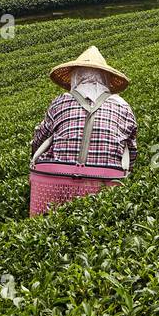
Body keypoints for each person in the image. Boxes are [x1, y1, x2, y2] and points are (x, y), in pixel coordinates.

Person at [28, 46, 138, 216]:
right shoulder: (123, 106)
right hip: (106, 184)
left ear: (76, 77)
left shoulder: (61, 102)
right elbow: (131, 153)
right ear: (105, 78)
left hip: (56, 183)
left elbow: (38, 141)